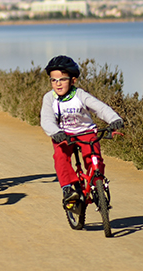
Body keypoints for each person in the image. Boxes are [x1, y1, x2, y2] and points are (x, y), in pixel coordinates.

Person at [40, 55, 123, 205]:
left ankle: (97, 183)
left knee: (93, 156)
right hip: (63, 135)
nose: (58, 84)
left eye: (62, 79)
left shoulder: (80, 95)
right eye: (54, 80)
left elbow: (100, 108)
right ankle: (68, 188)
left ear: (73, 80)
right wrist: (55, 132)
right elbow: (46, 119)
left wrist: (114, 119)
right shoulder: (49, 98)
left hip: (86, 132)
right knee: (60, 157)